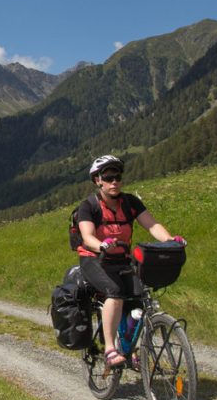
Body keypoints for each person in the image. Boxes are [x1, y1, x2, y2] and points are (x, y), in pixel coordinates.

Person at [75, 155, 185, 367]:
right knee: (115, 292)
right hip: (94, 259)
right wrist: (101, 245)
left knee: (138, 299)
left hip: (122, 260)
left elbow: (152, 225)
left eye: (117, 176)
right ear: (98, 180)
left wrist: (171, 241)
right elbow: (87, 236)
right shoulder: (88, 206)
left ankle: (129, 347)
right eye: (108, 177)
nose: (114, 181)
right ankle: (109, 348)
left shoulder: (130, 203)